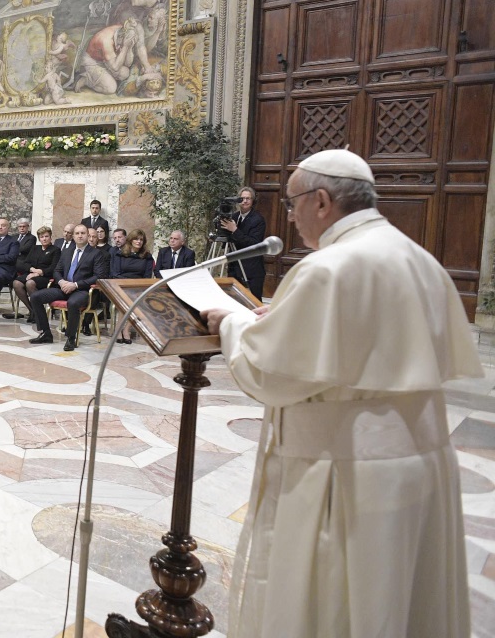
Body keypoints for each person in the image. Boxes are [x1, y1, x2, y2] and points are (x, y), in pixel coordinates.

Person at [201, 149, 478, 638]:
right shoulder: (418, 257)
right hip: (420, 463)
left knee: (337, 607)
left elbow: (271, 374)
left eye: (292, 204)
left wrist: (235, 321)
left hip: (345, 475)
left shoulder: (328, 267)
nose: (289, 216)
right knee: (401, 602)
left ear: (322, 201)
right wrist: (285, 321)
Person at [27, 224, 105, 351]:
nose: (80, 236)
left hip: (82, 291)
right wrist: (62, 282)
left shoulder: (96, 254)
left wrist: (75, 285)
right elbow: (57, 271)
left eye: (83, 233)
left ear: (88, 235)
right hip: (63, 288)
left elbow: (98, 276)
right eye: (77, 233)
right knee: (35, 297)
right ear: (73, 236)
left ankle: (70, 338)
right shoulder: (67, 252)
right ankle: (46, 333)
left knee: (72, 303)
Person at [3, 226, 59, 325]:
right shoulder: (35, 248)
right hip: (31, 273)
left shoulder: (55, 250)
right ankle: (33, 310)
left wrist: (39, 272)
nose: (44, 239)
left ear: (51, 237)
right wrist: (32, 270)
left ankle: (37, 311)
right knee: (16, 283)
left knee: (30, 283)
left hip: (46, 277)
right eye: (42, 237)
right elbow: (25, 263)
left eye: (46, 236)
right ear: (39, 238)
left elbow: (54, 267)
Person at [221, 186, 266, 299]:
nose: (245, 201)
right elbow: (229, 239)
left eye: (248, 198)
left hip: (252, 270)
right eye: (242, 198)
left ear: (253, 201)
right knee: (234, 301)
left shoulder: (258, 219)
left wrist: (235, 230)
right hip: (234, 267)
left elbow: (254, 244)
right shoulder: (234, 217)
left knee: (253, 303)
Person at [111, 228, 154, 343]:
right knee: (125, 299)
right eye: (136, 239)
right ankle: (118, 329)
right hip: (122, 285)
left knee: (136, 300)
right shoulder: (120, 254)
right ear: (131, 240)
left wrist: (136, 285)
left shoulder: (147, 257)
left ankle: (126, 330)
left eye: (141, 239)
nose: (139, 242)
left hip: (138, 287)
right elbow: (115, 273)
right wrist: (127, 283)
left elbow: (147, 276)